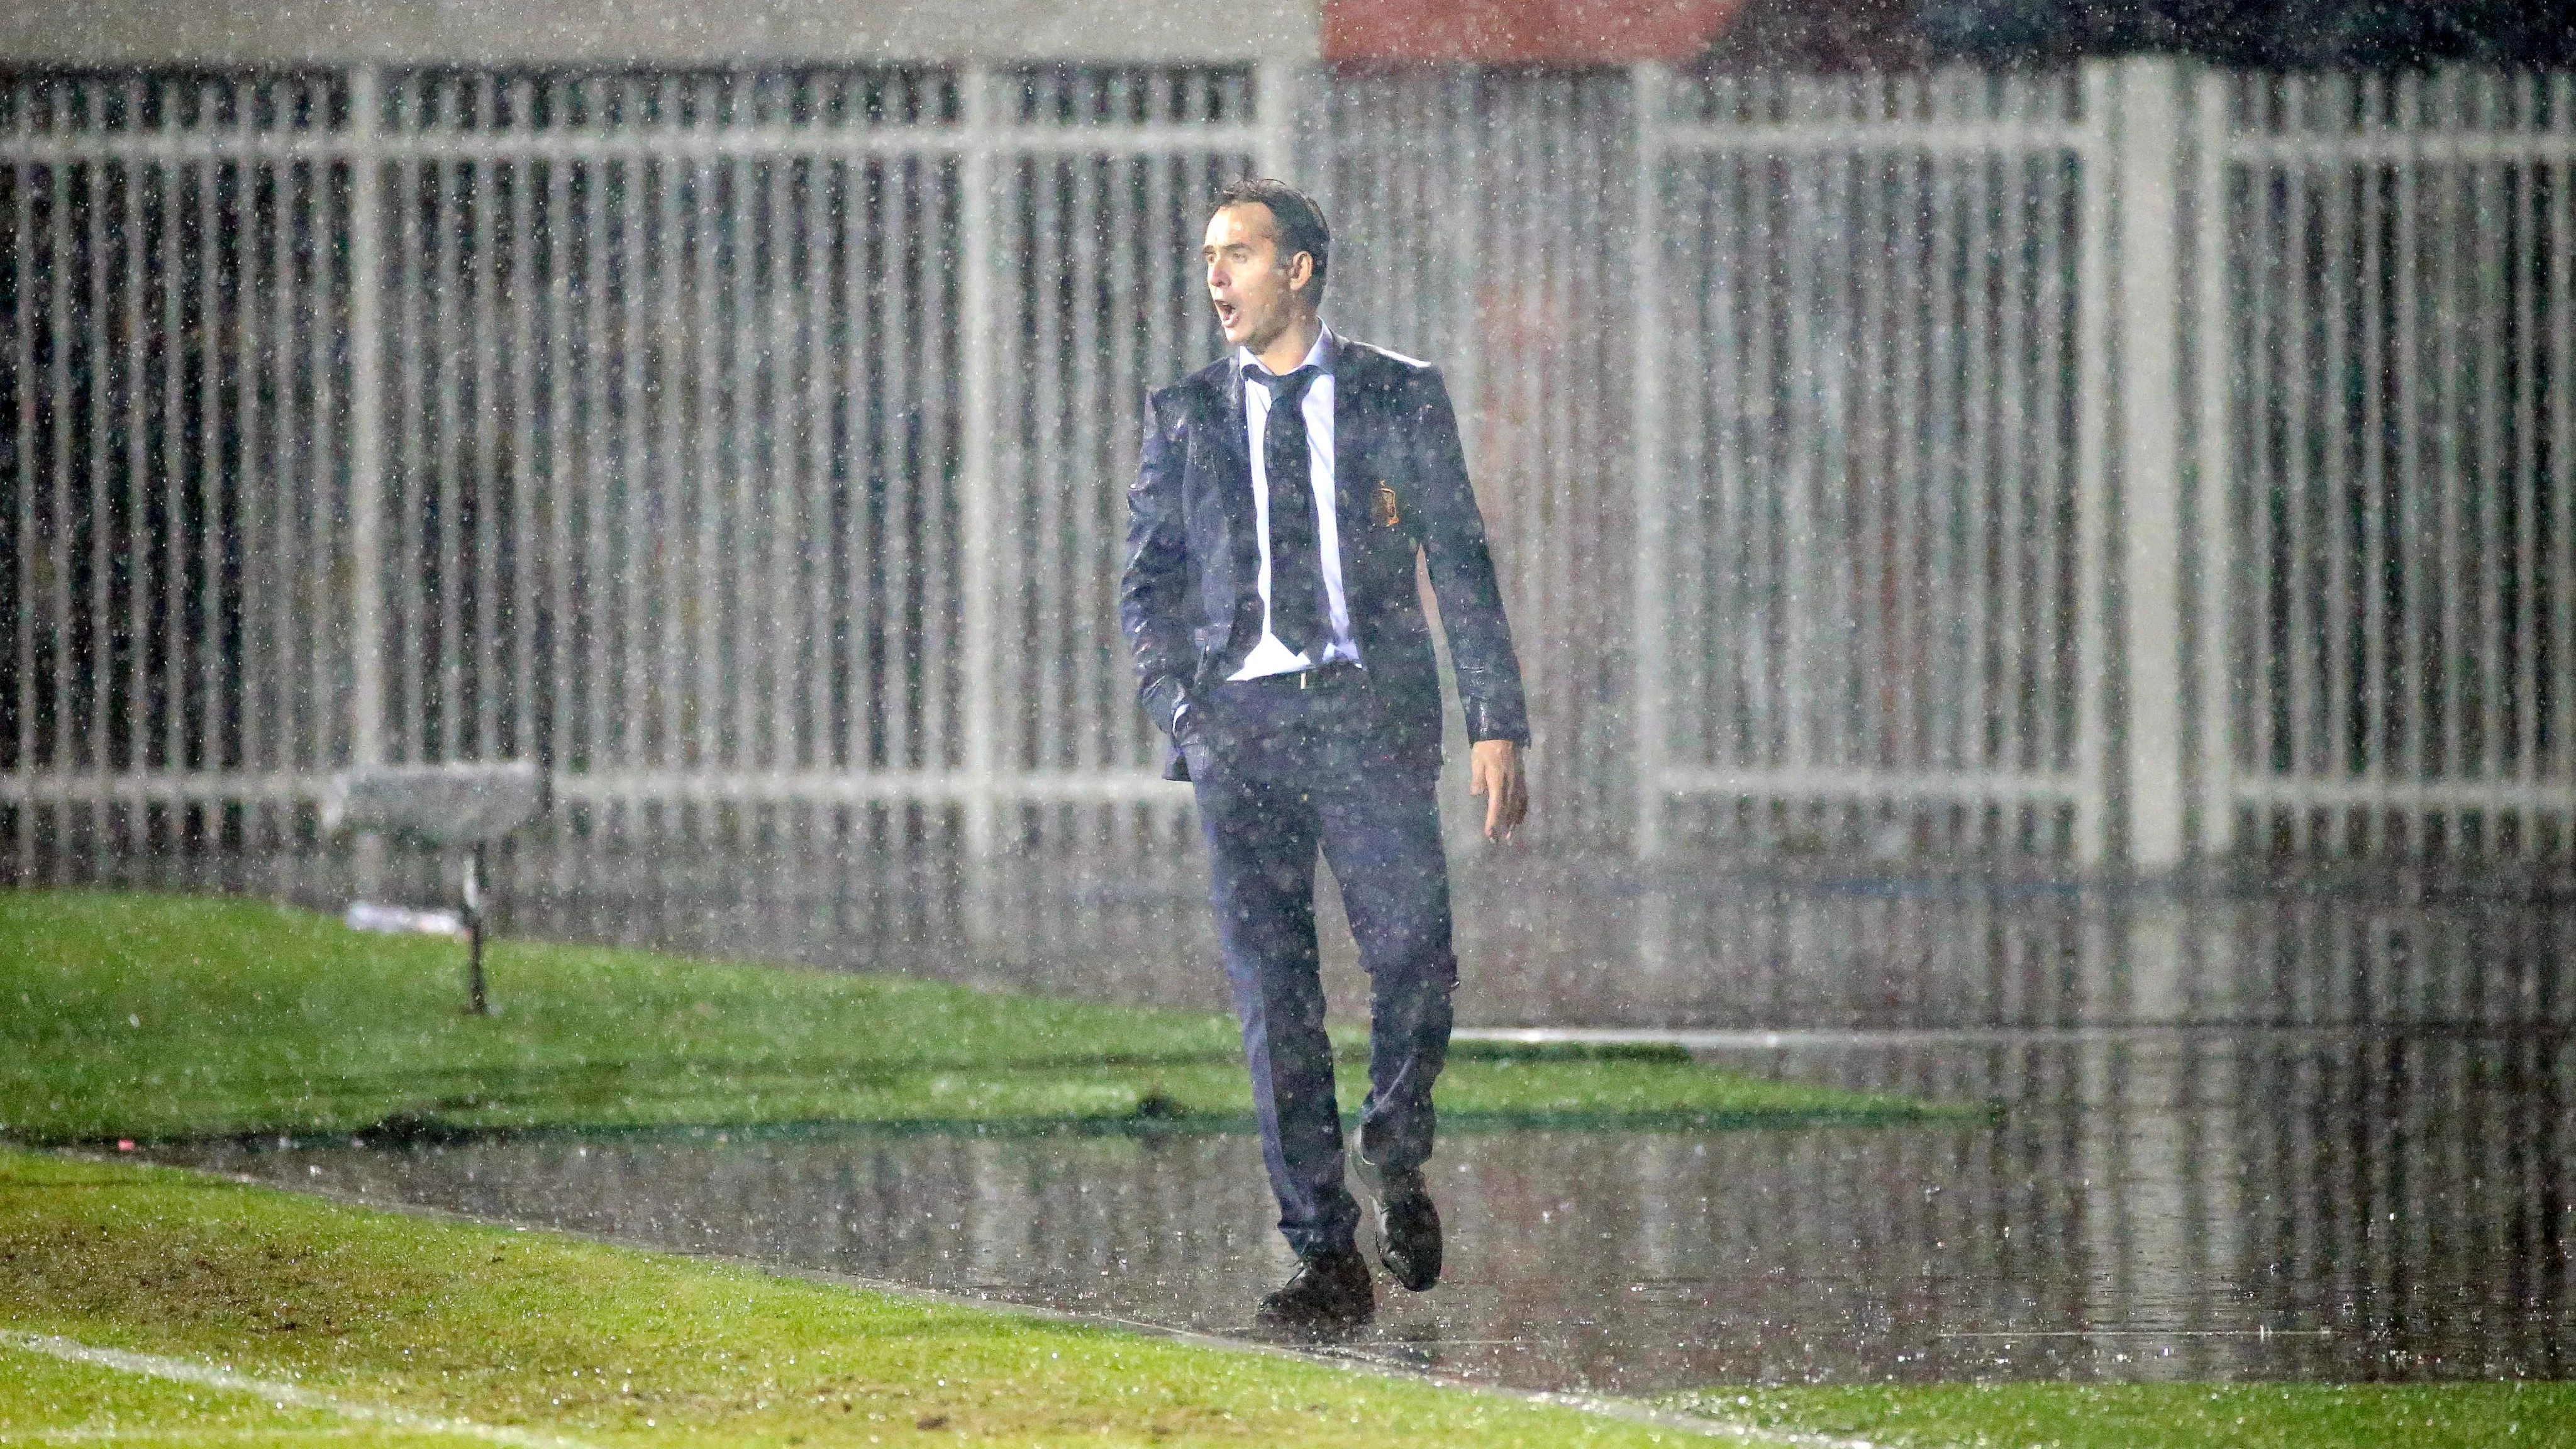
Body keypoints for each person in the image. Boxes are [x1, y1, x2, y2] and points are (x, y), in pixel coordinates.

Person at [1118, 177, 1531, 1332]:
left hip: (1362, 719)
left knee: (1415, 954)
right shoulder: (1185, 411)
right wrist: (1182, 711)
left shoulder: (1398, 396)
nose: (1215, 277)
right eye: (1208, 256)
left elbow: (1460, 557)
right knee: (1274, 999)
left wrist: (1496, 718)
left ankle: (1396, 1145)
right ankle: (1323, 1251)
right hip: (1237, 732)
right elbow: (1146, 581)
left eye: (1238, 255)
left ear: (1300, 269)